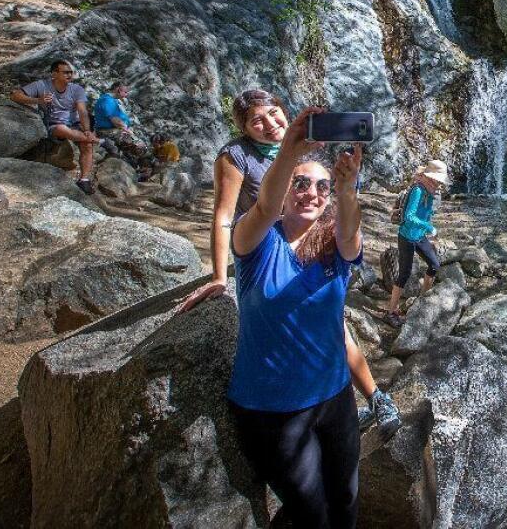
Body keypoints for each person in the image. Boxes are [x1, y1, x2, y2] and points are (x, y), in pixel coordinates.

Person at [177, 89, 398, 439]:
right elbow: (223, 216)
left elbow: (324, 196)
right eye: (257, 120)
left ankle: (371, 397)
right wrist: (219, 276)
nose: (269, 124)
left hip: (314, 245)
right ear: (244, 128)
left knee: (331, 322)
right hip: (263, 251)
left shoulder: (303, 145)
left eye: (274, 114)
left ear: (285, 112)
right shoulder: (236, 156)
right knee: (325, 326)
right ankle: (351, 401)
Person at [226, 107, 362, 527]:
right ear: (285, 189)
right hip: (272, 410)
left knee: (346, 502)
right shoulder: (256, 243)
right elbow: (265, 207)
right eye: (300, 184)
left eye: (321, 187)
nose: (311, 193)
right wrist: (289, 150)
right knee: (311, 516)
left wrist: (347, 190)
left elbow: (350, 236)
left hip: (335, 398)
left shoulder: (333, 248)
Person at [11, 59, 97, 194]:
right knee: (62, 129)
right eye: (65, 72)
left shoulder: (76, 89)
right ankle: (92, 139)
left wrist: (86, 130)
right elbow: (16, 96)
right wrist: (37, 100)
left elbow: (82, 111)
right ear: (54, 73)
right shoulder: (41, 85)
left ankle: (84, 180)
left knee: (87, 144)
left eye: (71, 73)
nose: (69, 75)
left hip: (74, 124)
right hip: (53, 124)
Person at [383, 160, 449, 325]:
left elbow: (425, 214)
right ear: (430, 177)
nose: (440, 183)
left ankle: (422, 300)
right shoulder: (418, 190)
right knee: (404, 274)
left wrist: (427, 228)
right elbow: (409, 217)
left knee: (434, 265)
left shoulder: (430, 191)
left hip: (419, 236)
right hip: (406, 236)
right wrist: (428, 226)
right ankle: (391, 312)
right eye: (438, 179)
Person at [94, 81, 149, 169]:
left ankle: (124, 160)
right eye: (125, 92)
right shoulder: (107, 101)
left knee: (133, 148)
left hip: (116, 129)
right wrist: (127, 130)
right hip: (108, 130)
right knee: (141, 147)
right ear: (118, 90)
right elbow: (115, 120)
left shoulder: (112, 100)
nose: (126, 94)